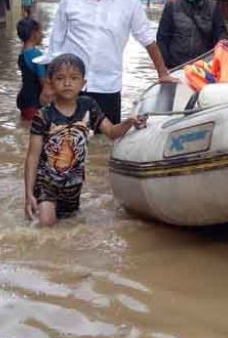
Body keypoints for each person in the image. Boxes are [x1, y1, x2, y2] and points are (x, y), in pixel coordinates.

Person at [48, 0, 175, 124]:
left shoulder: (130, 1)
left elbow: (147, 39)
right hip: (70, 87)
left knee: (106, 138)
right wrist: (49, 84)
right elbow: (56, 43)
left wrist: (162, 74)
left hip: (107, 87)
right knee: (64, 137)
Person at [24, 54, 147, 227]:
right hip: (46, 183)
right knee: (46, 223)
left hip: (74, 184)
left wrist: (129, 122)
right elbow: (32, 157)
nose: (67, 83)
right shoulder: (43, 115)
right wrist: (28, 194)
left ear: (83, 83)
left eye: (74, 78)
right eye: (60, 78)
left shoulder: (89, 106)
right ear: (50, 83)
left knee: (70, 225)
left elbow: (111, 132)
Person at [156, 0, 228, 68]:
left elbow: (221, 31)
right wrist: (166, 65)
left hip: (205, 65)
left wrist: (223, 39)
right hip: (177, 66)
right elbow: (162, 38)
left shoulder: (213, 7)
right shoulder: (171, 7)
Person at [16, 18, 50, 122]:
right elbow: (42, 81)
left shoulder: (22, 54)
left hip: (23, 98)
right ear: (34, 34)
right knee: (34, 128)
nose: (42, 35)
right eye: (40, 32)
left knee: (24, 126)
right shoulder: (37, 55)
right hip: (34, 101)